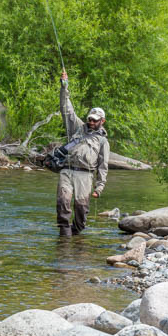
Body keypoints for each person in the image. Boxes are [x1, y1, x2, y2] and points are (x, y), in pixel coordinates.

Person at [56, 69, 109, 236]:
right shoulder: (77, 128)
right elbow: (67, 108)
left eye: (95, 119)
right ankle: (64, 239)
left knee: (81, 209)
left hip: (86, 175)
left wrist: (99, 187)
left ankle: (77, 235)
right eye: (90, 118)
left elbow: (103, 166)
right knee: (63, 202)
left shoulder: (103, 141)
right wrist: (64, 86)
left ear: (102, 121)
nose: (91, 121)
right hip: (67, 170)